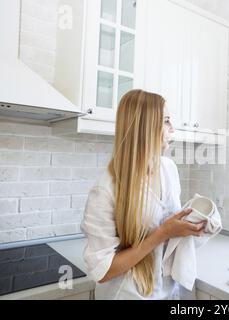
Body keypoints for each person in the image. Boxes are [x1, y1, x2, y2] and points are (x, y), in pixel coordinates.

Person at [80, 90, 206, 300]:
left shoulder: (169, 169)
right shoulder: (106, 189)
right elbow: (103, 271)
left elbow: (169, 229)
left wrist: (190, 226)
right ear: (145, 126)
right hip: (127, 294)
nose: (172, 128)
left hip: (167, 290)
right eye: (166, 121)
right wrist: (163, 232)